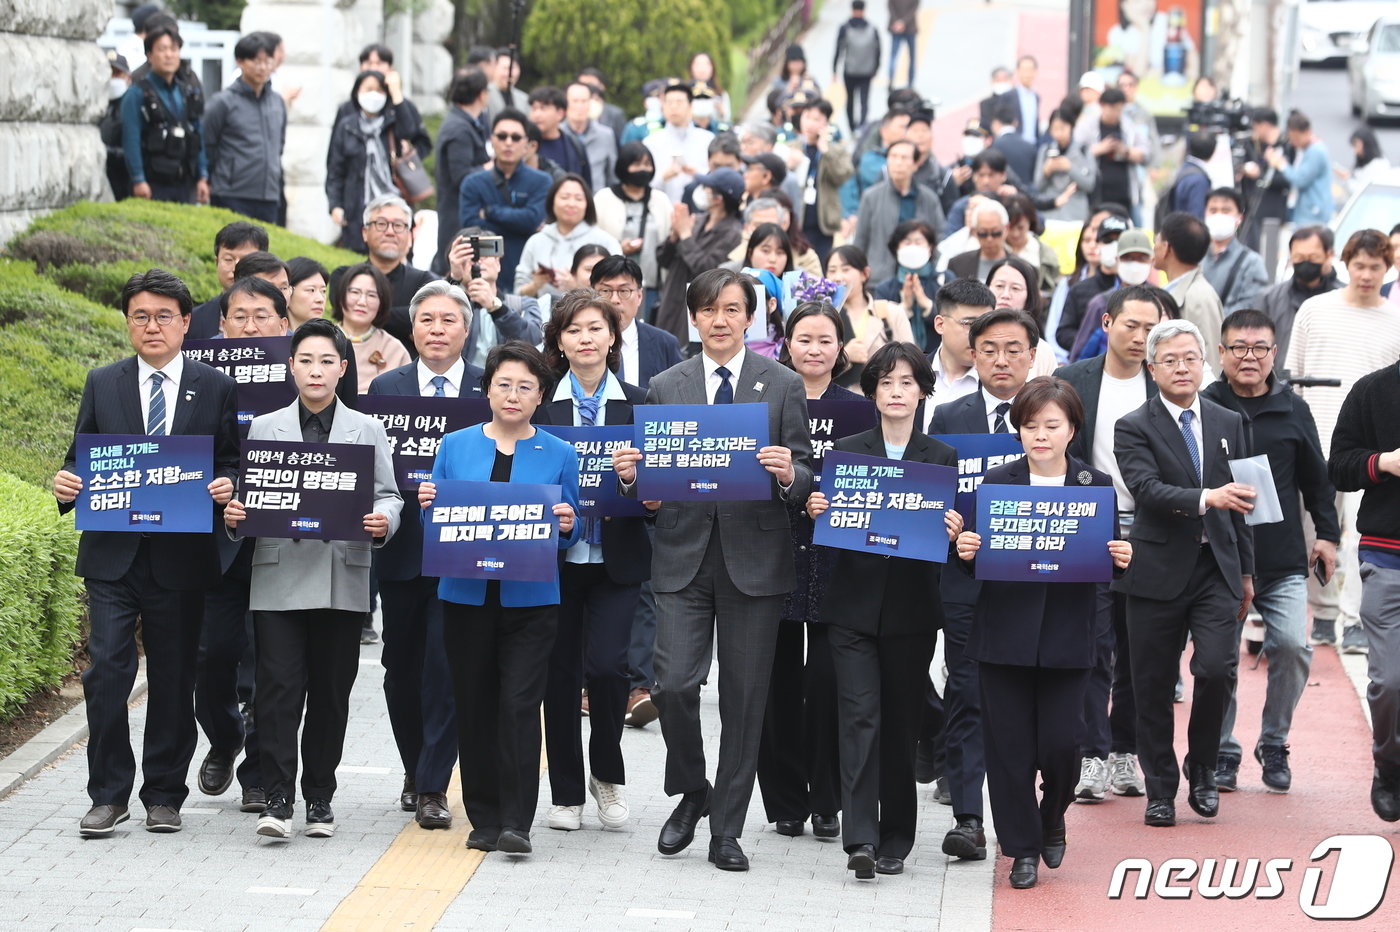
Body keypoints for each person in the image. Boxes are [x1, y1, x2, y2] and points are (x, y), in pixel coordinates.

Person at [612, 268, 814, 872]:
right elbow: (651, 479)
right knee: (672, 684)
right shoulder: (665, 385)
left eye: (732, 309)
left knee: (744, 702)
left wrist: (787, 474)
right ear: (693, 319)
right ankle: (694, 789)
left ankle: (727, 827)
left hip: (755, 559)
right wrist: (633, 481)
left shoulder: (780, 384)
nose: (720, 320)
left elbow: (805, 475)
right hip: (682, 555)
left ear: (749, 318)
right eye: (709, 310)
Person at [53, 269, 239, 837]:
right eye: (140, 316)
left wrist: (226, 486)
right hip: (113, 555)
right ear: (128, 323)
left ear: (186, 322)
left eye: (164, 316)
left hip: (181, 558)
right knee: (106, 672)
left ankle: (164, 792)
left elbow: (230, 459)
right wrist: (67, 483)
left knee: (175, 678)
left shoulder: (214, 387)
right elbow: (79, 458)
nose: (151, 325)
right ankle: (108, 794)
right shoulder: (103, 382)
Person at [223, 319, 402, 840]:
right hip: (278, 576)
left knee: (331, 692)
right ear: (291, 366)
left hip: (341, 579)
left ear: (343, 369)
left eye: (327, 361)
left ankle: (319, 796)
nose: (316, 370)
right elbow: (250, 500)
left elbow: (390, 495)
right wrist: (237, 517)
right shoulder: (265, 427)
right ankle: (277, 799)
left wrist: (383, 521)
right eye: (306, 360)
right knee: (277, 691)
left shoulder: (367, 429)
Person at [958, 377, 1131, 889]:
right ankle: (1022, 848)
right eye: (1029, 426)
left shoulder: (1094, 485)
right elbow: (977, 556)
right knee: (1007, 750)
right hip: (1003, 632)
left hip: (1069, 634)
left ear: (1072, 430)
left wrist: (1122, 560)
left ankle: (1054, 812)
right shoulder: (997, 483)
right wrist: (966, 551)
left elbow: (1107, 556)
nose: (1040, 435)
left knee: (1062, 745)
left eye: (1051, 425)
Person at [420, 341, 581, 855]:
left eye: (526, 387)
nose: (513, 395)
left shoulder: (559, 453)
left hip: (531, 600)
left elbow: (573, 529)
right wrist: (427, 503)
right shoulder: (455, 445)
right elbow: (438, 522)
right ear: (487, 388)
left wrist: (568, 523)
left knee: (517, 705)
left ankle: (517, 820)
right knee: (474, 704)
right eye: (504, 384)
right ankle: (483, 816)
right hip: (465, 598)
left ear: (540, 398)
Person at [808, 342, 961, 879]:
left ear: (922, 391)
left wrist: (954, 530)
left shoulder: (941, 457)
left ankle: (897, 834)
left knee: (900, 723)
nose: (896, 392)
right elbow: (832, 534)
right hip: (850, 608)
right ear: (872, 390)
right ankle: (861, 839)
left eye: (907, 383)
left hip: (912, 612)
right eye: (886, 383)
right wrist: (818, 508)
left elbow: (947, 538)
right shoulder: (848, 451)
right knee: (859, 719)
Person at [1112, 317, 1255, 829]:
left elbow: (1244, 502)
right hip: (1154, 569)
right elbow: (1145, 489)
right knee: (1150, 685)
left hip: (1215, 568)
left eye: (1189, 358)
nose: (1180, 368)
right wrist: (1204, 499)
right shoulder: (1133, 425)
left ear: (1204, 363)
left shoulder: (1228, 421)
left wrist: (1246, 572)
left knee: (1216, 669)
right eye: (1168, 360)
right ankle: (1160, 788)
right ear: (1152, 369)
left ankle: (1204, 771)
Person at [1202, 308, 1338, 794]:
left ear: (1274, 353)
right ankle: (1222, 749)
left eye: (1259, 348)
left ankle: (1274, 741)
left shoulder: (1293, 409)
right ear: (1221, 352)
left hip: (1281, 561)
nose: (1249, 357)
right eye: (1239, 347)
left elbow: (1316, 480)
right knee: (1217, 661)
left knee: (1293, 646)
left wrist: (1327, 535)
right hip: (1220, 561)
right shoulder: (1205, 406)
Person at [367, 282, 485, 831]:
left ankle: (434, 783)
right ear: (410, 329)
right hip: (402, 545)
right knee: (401, 666)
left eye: (448, 320)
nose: (437, 330)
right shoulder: (385, 387)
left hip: (466, 546)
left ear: (467, 329)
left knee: (447, 664)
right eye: (427, 320)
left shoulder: (488, 387)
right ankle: (415, 768)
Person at [533, 293, 648, 833]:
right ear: (559, 341)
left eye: (595, 328)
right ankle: (565, 792)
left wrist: (632, 480)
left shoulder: (640, 404)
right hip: (555, 561)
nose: (585, 337)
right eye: (573, 329)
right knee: (558, 676)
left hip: (615, 559)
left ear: (612, 338)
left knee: (607, 669)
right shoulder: (541, 407)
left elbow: (658, 494)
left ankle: (608, 774)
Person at [930, 307, 1041, 862]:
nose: (1002, 359)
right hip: (966, 577)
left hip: (1037, 584)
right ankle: (969, 819)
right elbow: (929, 489)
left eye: (1014, 349)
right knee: (969, 691)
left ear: (1033, 355)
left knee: (1028, 702)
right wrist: (944, 520)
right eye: (990, 348)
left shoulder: (1053, 413)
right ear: (972, 354)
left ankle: (1036, 813)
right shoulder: (949, 416)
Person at [1054, 284, 1170, 802]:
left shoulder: (1168, 386)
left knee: (1140, 650)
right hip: (1089, 528)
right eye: (1132, 325)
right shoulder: (1073, 381)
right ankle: (1092, 754)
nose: (1141, 337)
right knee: (1094, 645)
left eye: (1152, 328)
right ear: (1106, 324)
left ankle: (1126, 749)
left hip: (1153, 531)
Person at [756, 302, 861, 841]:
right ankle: (784, 801)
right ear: (786, 344)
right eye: (804, 338)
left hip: (836, 558)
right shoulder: (764, 397)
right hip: (772, 550)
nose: (814, 349)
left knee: (828, 683)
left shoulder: (859, 409)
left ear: (840, 348)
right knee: (774, 683)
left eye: (825, 339)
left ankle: (828, 798)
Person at [1286, 230, 1400, 654]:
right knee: (1313, 527)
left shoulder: (1394, 318)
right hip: (1314, 438)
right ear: (1345, 264)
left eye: (1376, 267)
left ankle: (1354, 618)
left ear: (1387, 269)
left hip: (1374, 448)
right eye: (1360, 265)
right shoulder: (1315, 310)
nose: (1367, 274)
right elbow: (1292, 375)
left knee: (1361, 533)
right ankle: (1323, 610)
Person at [1328, 358, 1400, 823]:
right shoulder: (1373, 389)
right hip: (1387, 554)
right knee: (1391, 680)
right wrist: (1385, 463)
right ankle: (1389, 765)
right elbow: (1339, 467)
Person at [458, 109, 553, 288]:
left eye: (516, 137)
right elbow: (471, 229)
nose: (508, 143)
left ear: (526, 144)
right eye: (502, 136)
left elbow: (532, 220)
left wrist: (489, 212)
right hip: (482, 277)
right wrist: (520, 224)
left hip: (527, 277)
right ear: (492, 141)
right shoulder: (472, 183)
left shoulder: (542, 181)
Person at [654, 167, 745, 348]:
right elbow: (663, 260)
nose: (703, 192)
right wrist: (674, 236)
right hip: (672, 298)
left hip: (696, 308)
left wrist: (686, 235)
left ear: (719, 198)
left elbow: (709, 271)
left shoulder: (733, 233)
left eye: (708, 189)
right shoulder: (698, 220)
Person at [120, 23, 209, 205]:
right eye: (162, 49)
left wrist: (202, 176)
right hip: (153, 182)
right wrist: (138, 179)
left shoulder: (187, 92)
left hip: (185, 181)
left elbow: (197, 134)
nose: (169, 55)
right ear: (149, 55)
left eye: (174, 49)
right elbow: (131, 138)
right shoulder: (137, 93)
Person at [203, 32, 285, 223]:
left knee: (264, 252)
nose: (263, 67)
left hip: (268, 194)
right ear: (240, 61)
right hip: (232, 193)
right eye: (256, 61)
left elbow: (279, 145)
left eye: (268, 61)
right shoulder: (222, 102)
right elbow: (207, 145)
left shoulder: (277, 102)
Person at [594, 142, 673, 315]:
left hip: (652, 284)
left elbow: (668, 239)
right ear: (624, 166)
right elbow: (594, 240)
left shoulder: (661, 200)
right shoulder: (603, 198)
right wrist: (619, 248)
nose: (643, 169)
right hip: (612, 285)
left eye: (647, 164)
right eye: (636, 164)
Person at [515, 175, 620, 301]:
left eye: (578, 198)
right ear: (552, 201)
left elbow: (619, 290)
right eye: (565, 197)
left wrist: (577, 288)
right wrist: (536, 285)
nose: (571, 204)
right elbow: (518, 294)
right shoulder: (536, 241)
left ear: (587, 204)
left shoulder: (606, 241)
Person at [326, 71, 398, 254]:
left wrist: (397, 93)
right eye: (368, 89)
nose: (374, 95)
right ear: (357, 92)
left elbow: (414, 132)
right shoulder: (347, 126)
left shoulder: (394, 124)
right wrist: (335, 205)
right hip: (356, 207)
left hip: (392, 203)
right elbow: (335, 169)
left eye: (379, 90)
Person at [853, 140, 944, 283]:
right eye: (893, 157)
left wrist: (932, 265)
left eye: (904, 158)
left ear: (915, 164)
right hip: (880, 278)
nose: (898, 162)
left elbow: (940, 236)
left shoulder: (929, 199)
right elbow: (861, 240)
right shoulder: (871, 197)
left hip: (921, 277)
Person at [827, 245, 914, 388]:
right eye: (832, 270)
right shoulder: (823, 317)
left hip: (881, 403)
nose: (838, 277)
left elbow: (911, 363)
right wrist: (844, 356)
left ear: (865, 273)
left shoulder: (891, 312)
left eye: (846, 269)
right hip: (837, 403)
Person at [589, 255, 682, 389]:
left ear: (639, 296)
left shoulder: (665, 344)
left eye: (624, 291)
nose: (615, 299)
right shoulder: (579, 341)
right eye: (605, 291)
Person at [434, 69, 492, 275]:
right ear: (481, 94)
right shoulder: (459, 129)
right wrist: (489, 167)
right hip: (456, 215)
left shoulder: (468, 123)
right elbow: (461, 176)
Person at [1155, 211, 1224, 371]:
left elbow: (1211, 361)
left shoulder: (1198, 297)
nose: (1154, 246)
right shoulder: (1177, 291)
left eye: (1157, 240)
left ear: (1166, 248)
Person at [1258, 226, 1337, 362]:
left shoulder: (1340, 297)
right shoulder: (1270, 298)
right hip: (1281, 378)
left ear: (1328, 255)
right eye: (1299, 257)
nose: (1305, 262)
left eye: (1313, 257)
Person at [333, 262, 410, 393]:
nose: (362, 302)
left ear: (382, 303)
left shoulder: (394, 349)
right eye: (355, 292)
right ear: (341, 296)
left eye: (372, 295)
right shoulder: (319, 338)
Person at [188, 222, 270, 338]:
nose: (236, 268)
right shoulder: (193, 319)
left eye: (246, 260)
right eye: (228, 259)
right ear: (216, 262)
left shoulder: (280, 314)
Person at [871, 219, 941, 351]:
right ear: (896, 248)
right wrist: (904, 308)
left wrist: (926, 304)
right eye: (907, 242)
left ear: (930, 247)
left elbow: (953, 319)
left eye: (918, 242)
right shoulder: (884, 288)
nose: (913, 247)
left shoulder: (944, 280)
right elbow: (880, 328)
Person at [1199, 187, 1270, 315]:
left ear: (1239, 218)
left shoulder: (1251, 262)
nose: (1219, 215)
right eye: (1213, 210)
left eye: (1226, 210)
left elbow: (1251, 306)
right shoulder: (1195, 257)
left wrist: (1210, 320)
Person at [985, 256, 1059, 378]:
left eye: (1015, 288)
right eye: (999, 286)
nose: (1006, 295)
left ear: (1029, 296)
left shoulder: (1042, 352)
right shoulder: (971, 341)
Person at [1080, 88, 1147, 219]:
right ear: (1102, 105)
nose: (1116, 113)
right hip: (1096, 194)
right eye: (1112, 108)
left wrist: (1126, 151)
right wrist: (1100, 148)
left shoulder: (1129, 127)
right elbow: (1076, 152)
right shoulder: (1088, 126)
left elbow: (1145, 153)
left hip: (1124, 193)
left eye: (1119, 109)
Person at [645, 81, 715, 205]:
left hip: (699, 210)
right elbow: (643, 184)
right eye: (669, 102)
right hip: (662, 209)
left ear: (690, 106)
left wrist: (697, 175)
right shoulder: (651, 142)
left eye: (679, 102)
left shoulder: (707, 140)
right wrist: (664, 177)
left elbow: (716, 178)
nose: (673, 107)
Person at [1267, 111, 1332, 226]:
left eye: (1296, 138)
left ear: (1307, 132)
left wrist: (1281, 164)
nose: (1293, 143)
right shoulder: (1308, 149)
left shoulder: (1315, 151)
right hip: (1308, 209)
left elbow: (1300, 180)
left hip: (1313, 213)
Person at [1034, 109, 1096, 223]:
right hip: (1051, 213)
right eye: (1054, 129)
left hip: (1076, 213)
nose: (1058, 133)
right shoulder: (1045, 150)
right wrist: (1046, 171)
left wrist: (1069, 168)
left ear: (1071, 127)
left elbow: (1089, 184)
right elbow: (1037, 186)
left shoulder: (1084, 150)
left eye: (1062, 128)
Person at [528, 86, 592, 187]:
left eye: (543, 108)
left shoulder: (575, 145)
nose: (537, 114)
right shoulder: (524, 144)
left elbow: (585, 184)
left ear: (560, 113)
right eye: (534, 109)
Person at [832, 1, 881, 130]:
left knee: (850, 100)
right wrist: (876, 68)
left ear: (852, 9)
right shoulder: (872, 28)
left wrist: (834, 69)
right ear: (864, 10)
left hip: (850, 71)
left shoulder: (845, 27)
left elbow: (839, 49)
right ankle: (862, 125)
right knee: (864, 100)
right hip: (867, 70)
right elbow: (878, 50)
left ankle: (852, 127)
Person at [564, 81, 617, 194]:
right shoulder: (558, 133)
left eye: (584, 101)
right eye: (575, 101)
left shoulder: (606, 135)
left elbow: (612, 176)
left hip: (597, 201)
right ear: (566, 103)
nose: (580, 106)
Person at [1161, 131, 1215, 221]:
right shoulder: (1198, 180)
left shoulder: (1181, 169)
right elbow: (1196, 217)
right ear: (1213, 151)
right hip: (1186, 231)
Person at [988, 102, 1037, 192]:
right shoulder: (1029, 146)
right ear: (1015, 123)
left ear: (995, 123)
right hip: (1028, 198)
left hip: (1005, 196)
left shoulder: (994, 147)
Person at [1338, 127, 1390, 199]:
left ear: (1367, 144)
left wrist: (1347, 179)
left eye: (1357, 146)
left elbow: (1362, 192)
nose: (1355, 151)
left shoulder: (1378, 165)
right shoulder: (1364, 160)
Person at [286, 257, 330, 331]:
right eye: (311, 290)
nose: (320, 299)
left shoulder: (332, 340)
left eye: (323, 291)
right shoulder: (268, 337)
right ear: (287, 292)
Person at [486, 48, 529, 122]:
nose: (509, 73)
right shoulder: (484, 94)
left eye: (513, 68)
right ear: (494, 68)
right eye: (505, 68)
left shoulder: (525, 99)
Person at [888, 0, 920, 88]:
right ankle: (910, 83)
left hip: (898, 27)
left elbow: (890, 7)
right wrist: (902, 22)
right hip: (909, 27)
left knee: (894, 56)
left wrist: (898, 22)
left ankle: (891, 80)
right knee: (910, 57)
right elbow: (914, 9)